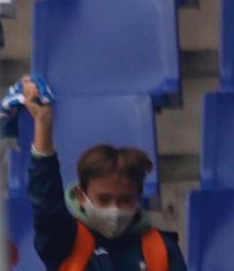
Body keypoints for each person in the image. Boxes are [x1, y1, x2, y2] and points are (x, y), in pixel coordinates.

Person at [21, 76, 186, 270]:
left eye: (125, 200)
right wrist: (43, 124)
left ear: (138, 196)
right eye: (104, 200)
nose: (114, 211)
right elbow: (46, 203)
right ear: (82, 196)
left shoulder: (162, 249)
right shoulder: (65, 241)